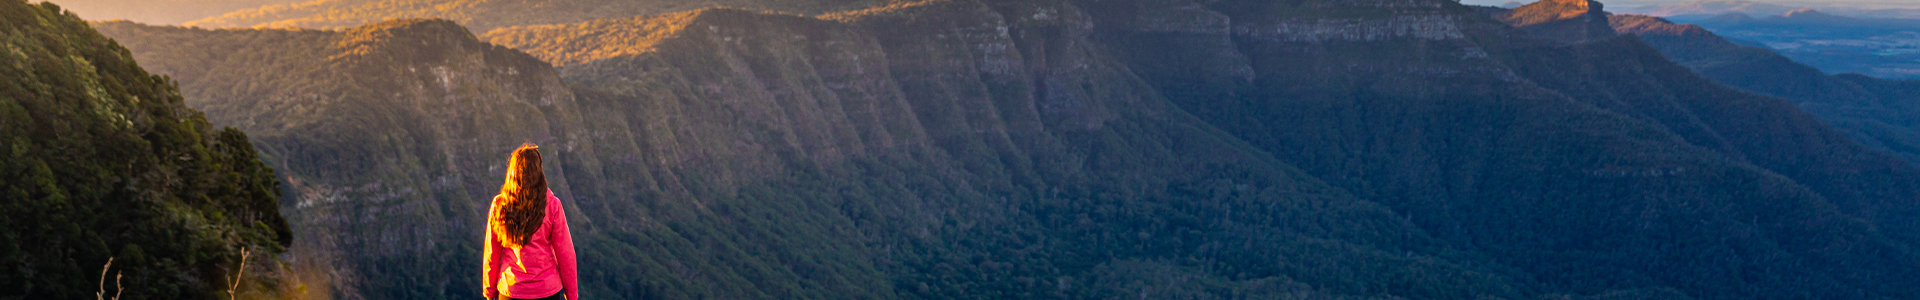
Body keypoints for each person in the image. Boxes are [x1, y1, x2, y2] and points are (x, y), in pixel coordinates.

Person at [484, 143, 578, 300]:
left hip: (511, 291)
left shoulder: (500, 205)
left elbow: (492, 254)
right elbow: (565, 254)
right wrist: (572, 294)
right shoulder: (552, 205)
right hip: (547, 291)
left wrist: (490, 290)